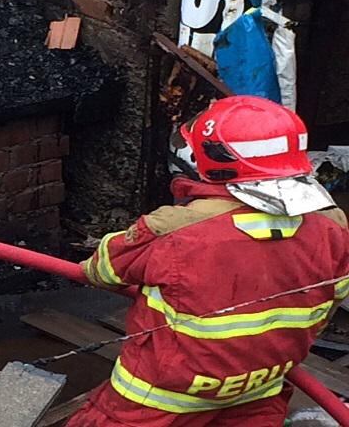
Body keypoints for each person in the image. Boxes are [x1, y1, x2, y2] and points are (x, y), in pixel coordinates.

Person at [66, 96, 349, 427]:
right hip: (258, 392)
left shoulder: (177, 228)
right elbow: (334, 295)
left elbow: (101, 270)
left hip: (156, 402)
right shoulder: (333, 226)